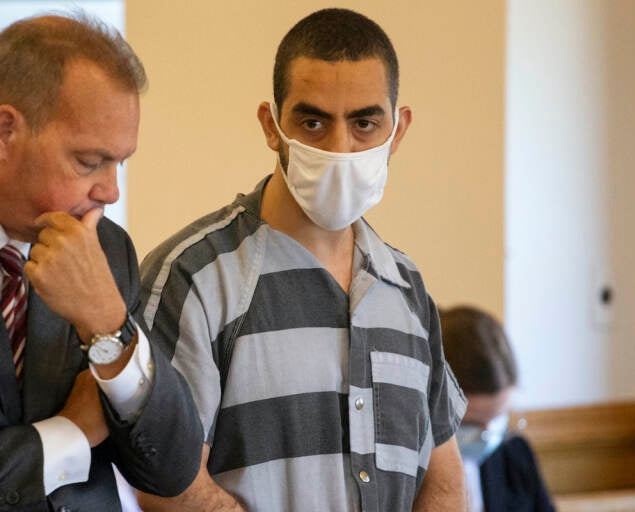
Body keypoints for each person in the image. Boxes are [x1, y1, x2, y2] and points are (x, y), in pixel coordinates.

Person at [137, 8, 468, 512]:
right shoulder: (197, 278)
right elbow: (165, 485)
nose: (339, 147)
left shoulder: (405, 288)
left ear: (397, 131)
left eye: (364, 123)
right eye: (313, 122)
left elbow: (443, 480)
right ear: (272, 126)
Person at [0, 13, 202, 511]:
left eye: (119, 162)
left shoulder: (105, 249)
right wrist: (67, 435)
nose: (110, 191)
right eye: (89, 161)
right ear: (4, 131)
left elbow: (170, 470)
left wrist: (109, 326)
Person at [439, 306, 555, 512]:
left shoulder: (515, 454)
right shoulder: (404, 471)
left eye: (497, 418)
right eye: (470, 423)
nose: (487, 433)